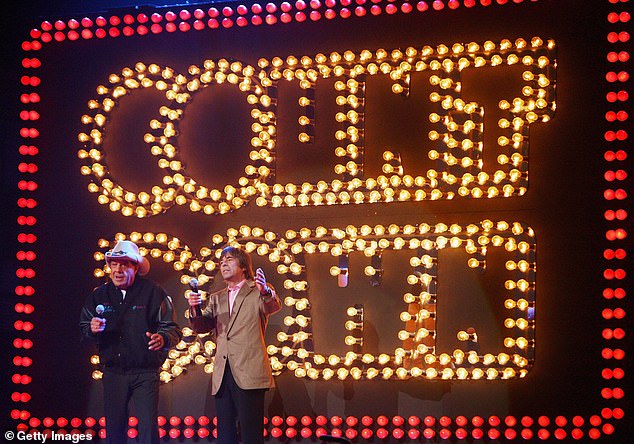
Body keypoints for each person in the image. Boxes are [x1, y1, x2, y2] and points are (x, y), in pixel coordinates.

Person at [80, 240, 182, 444]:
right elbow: (84, 328)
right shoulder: (99, 295)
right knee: (114, 429)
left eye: (124, 264)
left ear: (135, 267)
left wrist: (162, 338)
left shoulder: (154, 292)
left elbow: (173, 329)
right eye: (114, 264)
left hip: (145, 372)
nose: (118, 270)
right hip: (113, 372)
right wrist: (91, 329)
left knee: (147, 429)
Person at [188, 245, 282, 444]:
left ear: (244, 266)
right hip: (224, 372)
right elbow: (202, 326)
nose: (224, 264)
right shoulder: (217, 297)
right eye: (221, 262)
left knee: (250, 433)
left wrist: (265, 291)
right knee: (226, 434)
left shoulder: (257, 290)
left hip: (249, 370)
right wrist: (194, 307)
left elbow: (272, 306)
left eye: (229, 259)